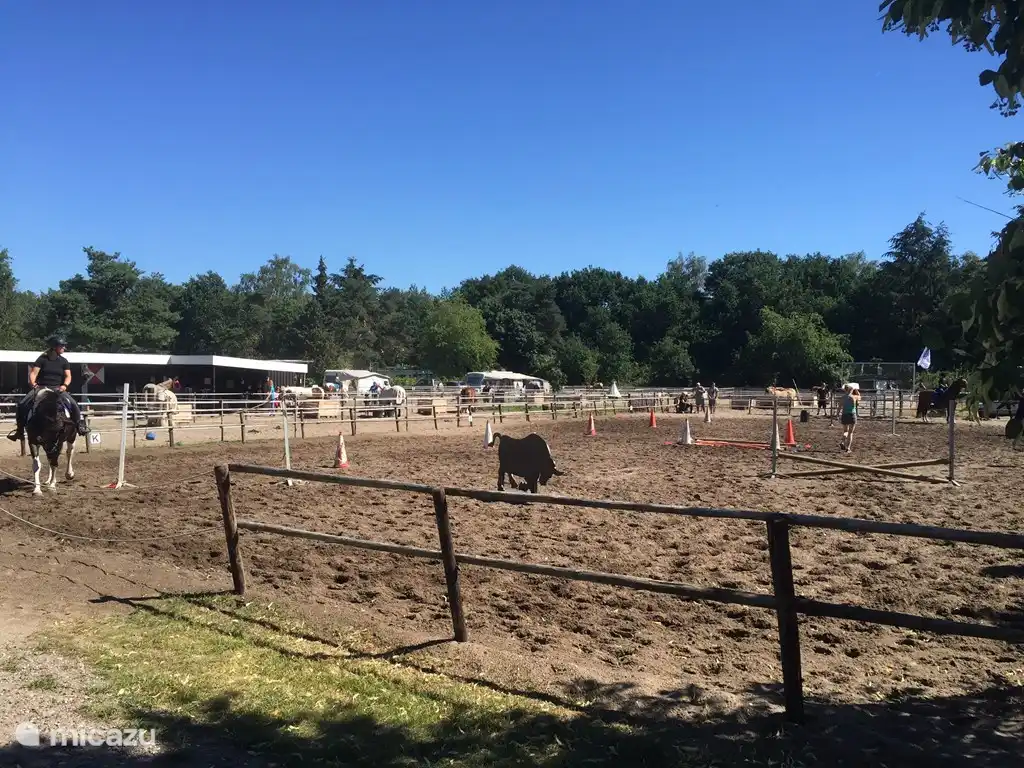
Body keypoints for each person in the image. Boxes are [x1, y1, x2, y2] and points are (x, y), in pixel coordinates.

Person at [7, 335, 89, 442]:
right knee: (22, 404)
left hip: (57, 388)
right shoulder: (42, 360)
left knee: (74, 404)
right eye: (62, 346)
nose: (64, 348)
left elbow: (68, 376)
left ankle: (79, 426)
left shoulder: (64, 361)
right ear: (55, 347)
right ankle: (19, 430)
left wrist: (64, 386)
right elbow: (33, 374)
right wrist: (34, 384)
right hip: (41, 387)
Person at [839, 383, 860, 453]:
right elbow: (859, 399)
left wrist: (837, 414)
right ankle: (848, 448)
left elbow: (839, 407)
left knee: (846, 431)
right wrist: (857, 391)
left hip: (844, 415)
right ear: (851, 390)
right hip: (852, 415)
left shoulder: (842, 398)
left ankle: (842, 441)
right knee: (850, 433)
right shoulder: (853, 397)